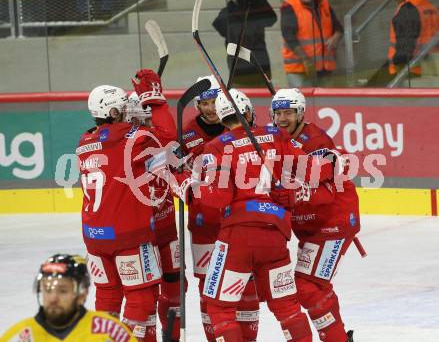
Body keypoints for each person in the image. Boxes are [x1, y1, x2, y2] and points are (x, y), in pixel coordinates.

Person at [193, 88, 336, 342]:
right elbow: (309, 170)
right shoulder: (275, 135)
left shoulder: (216, 147)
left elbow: (219, 198)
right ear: (248, 112)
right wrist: (333, 161)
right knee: (288, 309)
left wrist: (187, 184)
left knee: (219, 308)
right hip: (274, 237)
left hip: (237, 237)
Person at [77, 69, 176, 342]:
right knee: (142, 297)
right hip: (127, 235)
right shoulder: (132, 139)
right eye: (122, 108)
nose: (127, 112)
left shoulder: (84, 142)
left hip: (95, 236)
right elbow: (169, 141)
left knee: (107, 295)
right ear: (112, 113)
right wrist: (154, 99)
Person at [271, 88, 360, 342]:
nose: (282, 119)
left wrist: (286, 196)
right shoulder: (277, 137)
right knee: (309, 287)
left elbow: (322, 193)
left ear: (300, 114)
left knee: (309, 287)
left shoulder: (316, 142)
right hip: (312, 225)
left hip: (334, 220)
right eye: (278, 113)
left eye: (288, 112)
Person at [181, 76, 260, 341]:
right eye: (205, 103)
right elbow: (181, 170)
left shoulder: (242, 127)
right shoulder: (187, 132)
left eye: (215, 102)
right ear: (197, 105)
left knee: (245, 282)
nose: (211, 108)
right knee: (208, 285)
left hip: (238, 218)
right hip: (204, 220)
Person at [124, 91, 181, 342]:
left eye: (149, 122)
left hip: (167, 230)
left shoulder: (156, 140)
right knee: (144, 296)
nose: (146, 128)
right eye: (139, 122)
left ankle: (173, 338)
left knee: (176, 289)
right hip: (140, 236)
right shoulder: (125, 146)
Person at [0, 253, 137, 342]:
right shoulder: (19, 336)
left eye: (63, 291)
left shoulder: (112, 332)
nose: (53, 298)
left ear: (82, 294)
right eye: (48, 289)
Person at [212, 0, 277, 87]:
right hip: (247, 66)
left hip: (248, 66)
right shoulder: (257, 13)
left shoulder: (229, 12)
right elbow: (271, 19)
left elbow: (272, 19)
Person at [281, 0, 343, 87]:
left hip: (324, 69)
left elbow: (339, 28)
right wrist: (306, 60)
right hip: (299, 69)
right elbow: (289, 36)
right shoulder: (290, 6)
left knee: (325, 100)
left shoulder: (324, 3)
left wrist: (336, 37)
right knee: (302, 100)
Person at [388, 0, 439, 82]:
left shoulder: (407, 9)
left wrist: (398, 65)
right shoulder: (432, 8)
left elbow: (405, 45)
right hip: (431, 66)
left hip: (410, 69)